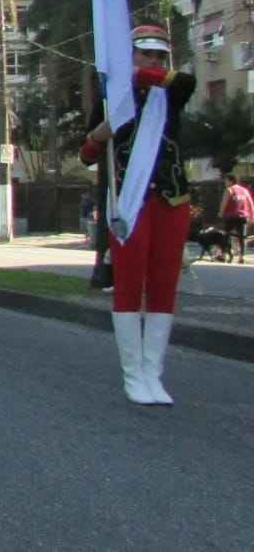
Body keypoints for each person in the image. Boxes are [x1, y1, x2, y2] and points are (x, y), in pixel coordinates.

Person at [79, 23, 195, 406]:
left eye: (159, 56)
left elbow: (182, 83)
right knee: (130, 285)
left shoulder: (173, 89)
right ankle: (133, 375)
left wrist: (128, 71)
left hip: (171, 198)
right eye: (144, 54)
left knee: (163, 286)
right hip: (129, 200)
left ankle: (153, 374)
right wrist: (101, 134)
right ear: (132, 53)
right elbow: (87, 153)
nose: (152, 61)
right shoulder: (112, 97)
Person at [218, 173, 252, 265]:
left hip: (230, 217)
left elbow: (224, 203)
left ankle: (224, 255)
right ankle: (242, 257)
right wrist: (252, 216)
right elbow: (251, 203)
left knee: (226, 236)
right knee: (241, 237)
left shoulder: (229, 190)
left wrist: (220, 213)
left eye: (226, 180)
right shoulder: (245, 190)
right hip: (242, 217)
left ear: (230, 181)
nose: (225, 182)